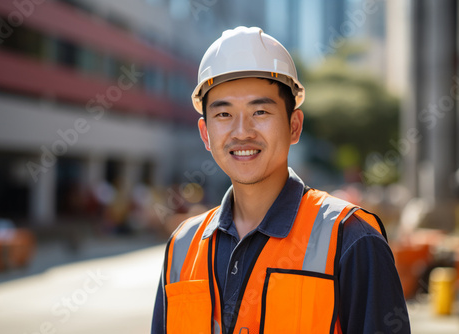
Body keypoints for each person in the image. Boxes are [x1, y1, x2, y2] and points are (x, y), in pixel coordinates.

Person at [151, 26, 410, 334]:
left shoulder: (351, 241)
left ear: (295, 126)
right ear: (206, 134)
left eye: (260, 111)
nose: (242, 131)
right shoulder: (182, 247)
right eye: (223, 115)